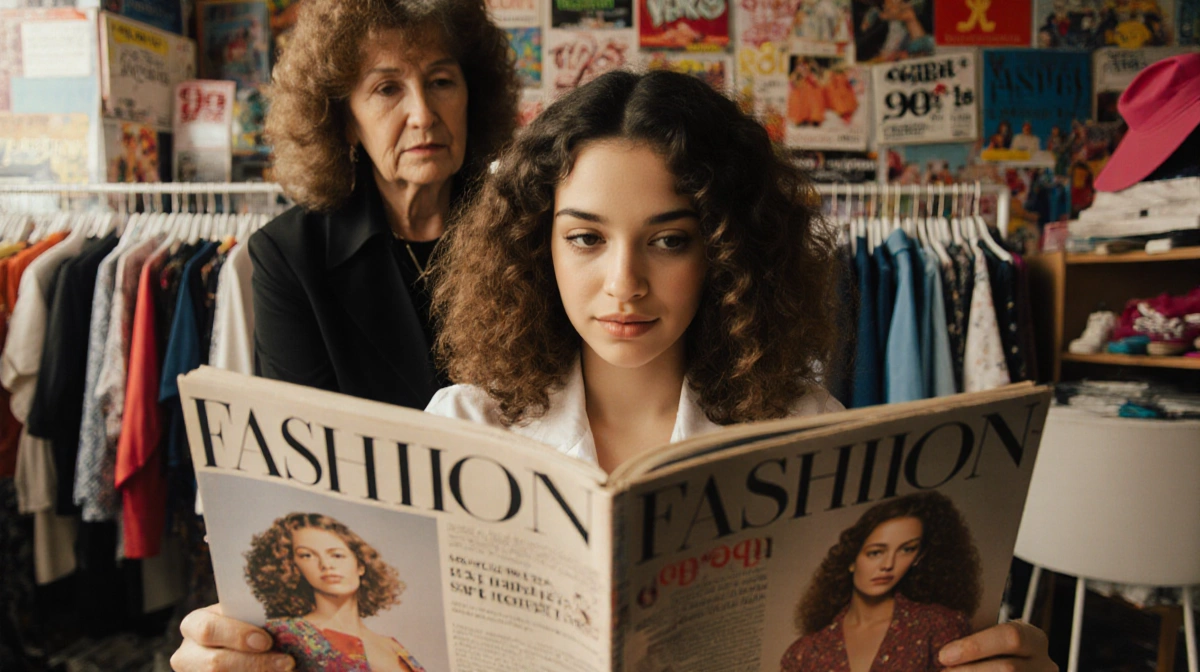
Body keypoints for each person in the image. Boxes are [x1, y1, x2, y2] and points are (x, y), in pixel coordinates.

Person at [170, 71, 1056, 671]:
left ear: (727, 255)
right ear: (535, 246)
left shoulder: (803, 425)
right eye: (586, 238)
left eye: (669, 240)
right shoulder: (462, 425)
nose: (623, 284)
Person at [248, 0, 518, 409]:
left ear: (472, 96)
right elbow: (305, 447)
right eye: (388, 88)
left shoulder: (520, 228)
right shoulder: (289, 257)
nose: (423, 115)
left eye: (441, 81)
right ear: (347, 122)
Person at [779, 492, 981, 671]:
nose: (888, 564)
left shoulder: (939, 626)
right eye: (875, 552)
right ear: (851, 559)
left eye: (906, 549)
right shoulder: (804, 653)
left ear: (918, 557)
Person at [244, 513, 425, 672]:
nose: (326, 564)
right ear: (292, 567)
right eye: (307, 555)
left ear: (361, 565)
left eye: (336, 555)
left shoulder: (393, 646)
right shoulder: (286, 634)